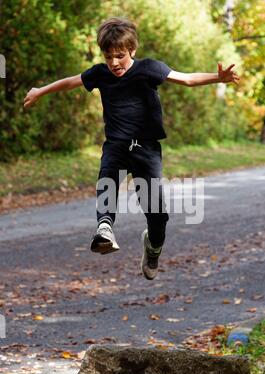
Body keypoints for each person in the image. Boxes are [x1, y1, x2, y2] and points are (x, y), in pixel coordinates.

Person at [23, 17, 240, 280]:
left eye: (120, 56)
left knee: (157, 215)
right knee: (107, 181)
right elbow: (71, 81)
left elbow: (187, 79)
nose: (114, 62)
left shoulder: (149, 69)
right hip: (116, 144)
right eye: (108, 56)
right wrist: (39, 91)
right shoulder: (100, 73)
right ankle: (104, 228)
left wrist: (218, 77)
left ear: (132, 50)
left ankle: (153, 246)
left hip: (146, 150)